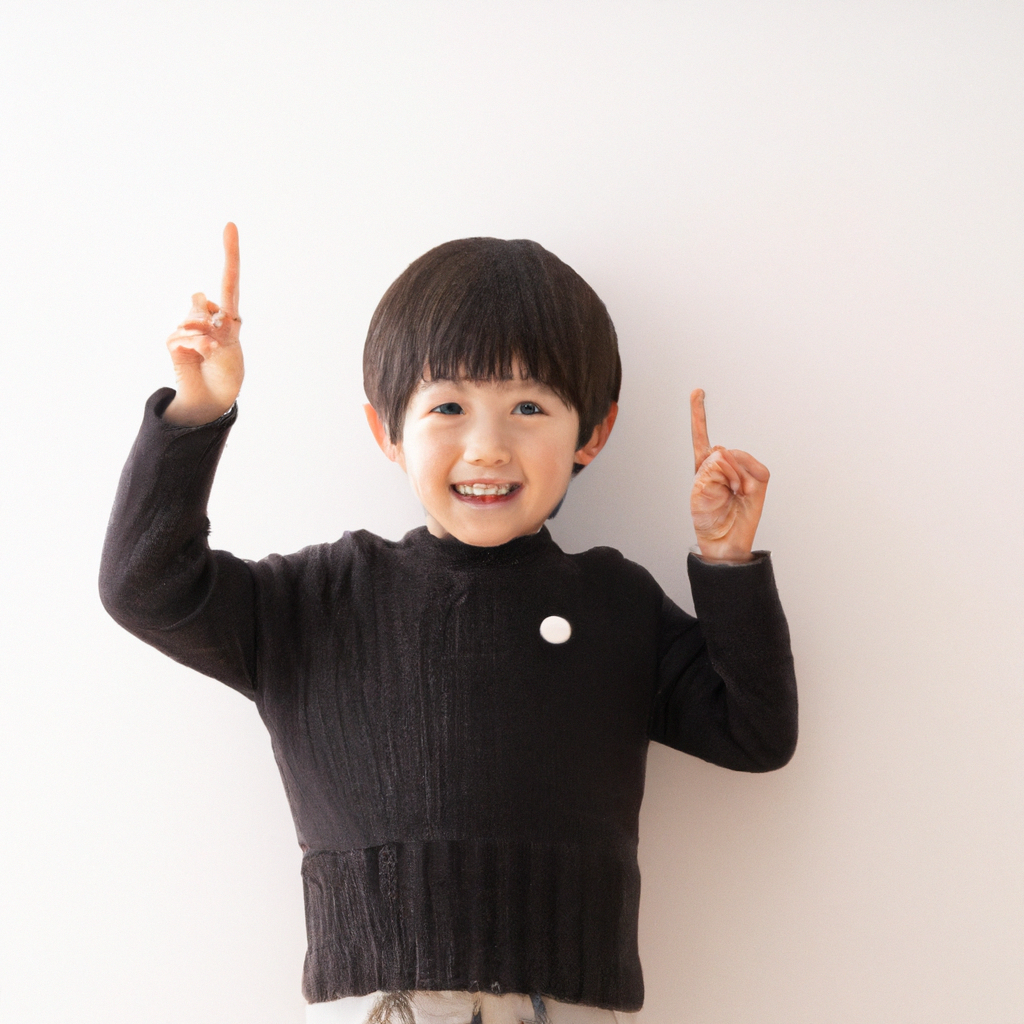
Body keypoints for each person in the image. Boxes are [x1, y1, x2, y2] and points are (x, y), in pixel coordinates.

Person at [100, 224, 797, 1024]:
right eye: (449, 407)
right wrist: (197, 413)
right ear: (387, 433)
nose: (487, 447)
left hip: (564, 1003)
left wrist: (726, 563)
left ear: (593, 434)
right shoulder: (316, 601)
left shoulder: (616, 604)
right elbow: (144, 587)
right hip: (377, 1003)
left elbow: (754, 733)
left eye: (528, 406)